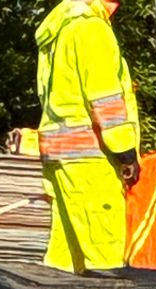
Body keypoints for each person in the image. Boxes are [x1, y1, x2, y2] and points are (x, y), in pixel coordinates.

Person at [35, 0, 141, 273]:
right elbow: (104, 98)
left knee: (65, 256)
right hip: (91, 160)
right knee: (104, 251)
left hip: (61, 155)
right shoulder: (92, 29)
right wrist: (124, 150)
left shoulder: (61, 28)